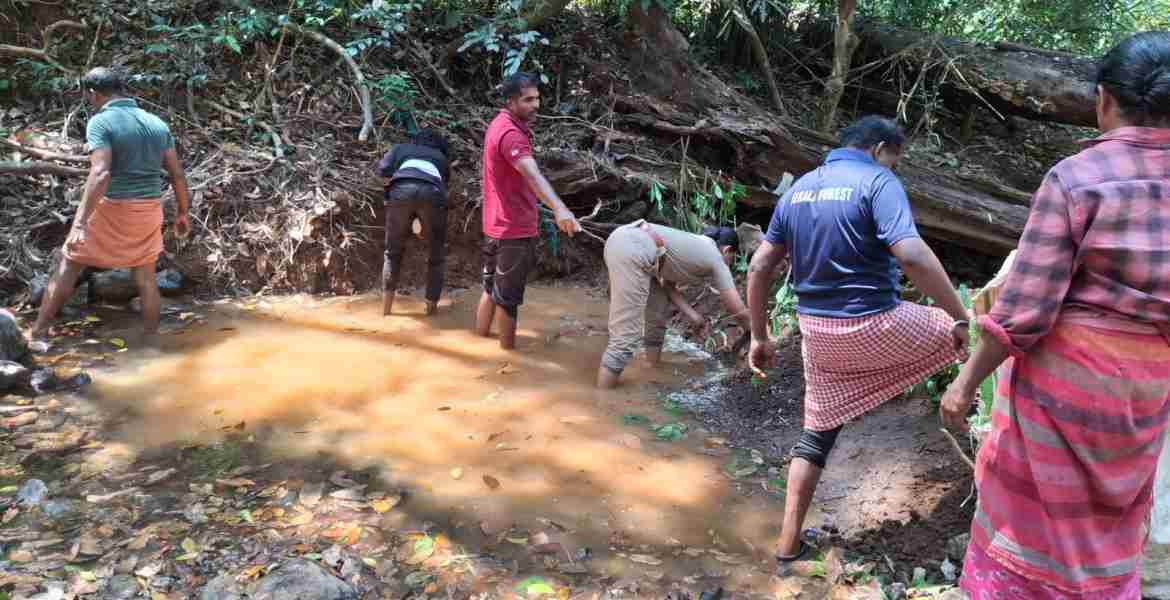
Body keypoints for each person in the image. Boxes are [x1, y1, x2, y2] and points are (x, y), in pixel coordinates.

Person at [940, 32, 1170, 599]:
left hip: (1065, 392)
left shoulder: (1076, 178)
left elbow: (1023, 313)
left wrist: (964, 385)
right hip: (1144, 390)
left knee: (1031, 538)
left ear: (1102, 100)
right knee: (1108, 525)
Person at [746, 115, 969, 567]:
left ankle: (787, 546)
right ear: (879, 149)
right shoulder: (877, 182)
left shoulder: (800, 188)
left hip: (818, 335)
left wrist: (758, 336)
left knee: (816, 436)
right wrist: (960, 316)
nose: (894, 169)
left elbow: (757, 267)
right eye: (894, 160)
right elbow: (910, 253)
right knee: (979, 339)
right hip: (877, 325)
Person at [30, 67, 190, 347]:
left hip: (113, 208)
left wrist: (79, 223)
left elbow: (101, 173)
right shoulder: (156, 123)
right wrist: (183, 212)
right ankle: (151, 341)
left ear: (93, 94)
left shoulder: (100, 122)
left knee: (69, 263)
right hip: (149, 209)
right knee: (146, 278)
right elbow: (177, 174)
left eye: (86, 95)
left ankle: (38, 333)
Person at [476, 72, 581, 350]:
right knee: (507, 298)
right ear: (511, 102)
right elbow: (532, 174)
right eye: (528, 100)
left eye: (537, 98)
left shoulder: (499, 124)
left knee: (490, 288)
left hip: (494, 224)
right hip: (513, 229)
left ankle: (480, 341)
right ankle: (508, 357)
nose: (536, 105)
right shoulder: (511, 135)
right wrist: (559, 208)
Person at [596, 223, 758, 388]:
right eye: (732, 258)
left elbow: (668, 286)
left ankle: (652, 368)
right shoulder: (715, 257)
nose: (729, 264)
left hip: (627, 242)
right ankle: (603, 396)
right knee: (626, 336)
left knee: (657, 312)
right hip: (633, 249)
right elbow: (736, 308)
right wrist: (759, 334)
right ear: (727, 250)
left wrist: (695, 318)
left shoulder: (695, 246)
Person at [377, 128, 451, 316]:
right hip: (432, 194)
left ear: (415, 141)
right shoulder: (441, 158)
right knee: (436, 254)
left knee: (392, 253)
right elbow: (443, 184)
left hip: (400, 191)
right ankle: (431, 310)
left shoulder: (400, 149)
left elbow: (382, 170)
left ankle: (386, 311)